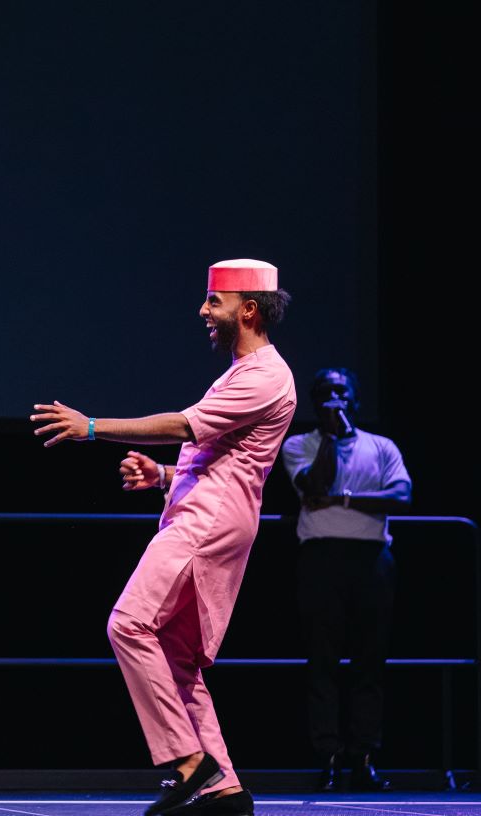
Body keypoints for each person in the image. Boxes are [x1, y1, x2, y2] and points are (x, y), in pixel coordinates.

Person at [32, 260, 296, 816]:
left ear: (247, 309)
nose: (204, 311)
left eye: (213, 302)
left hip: (208, 522)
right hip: (205, 511)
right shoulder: (240, 370)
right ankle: (224, 791)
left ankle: (186, 760)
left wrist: (94, 428)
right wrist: (163, 476)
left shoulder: (265, 376)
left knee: (129, 624)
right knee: (177, 659)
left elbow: (186, 425)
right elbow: (227, 457)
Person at [281, 367, 410, 792]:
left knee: (370, 661)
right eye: (324, 393)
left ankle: (365, 757)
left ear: (354, 398)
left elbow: (401, 495)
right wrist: (333, 441)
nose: (333, 399)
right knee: (322, 661)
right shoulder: (300, 444)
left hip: (372, 559)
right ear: (315, 402)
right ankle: (329, 757)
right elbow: (313, 488)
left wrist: (344, 499)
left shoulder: (381, 446)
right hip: (321, 558)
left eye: (341, 392)